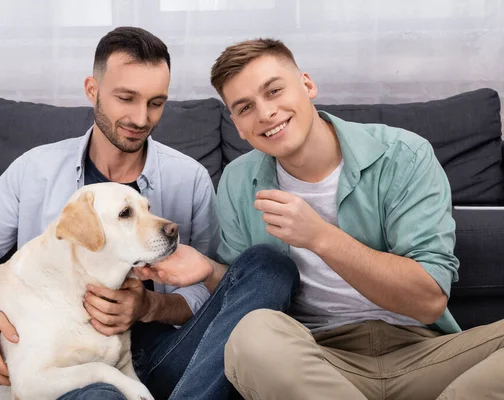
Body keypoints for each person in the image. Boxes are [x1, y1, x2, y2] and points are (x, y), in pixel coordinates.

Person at [0, 27, 297, 400]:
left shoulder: (190, 178)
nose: (140, 117)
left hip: (166, 354)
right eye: (126, 98)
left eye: (156, 102)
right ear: (93, 89)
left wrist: (151, 306)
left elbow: (214, 296)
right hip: (70, 367)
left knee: (267, 265)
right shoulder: (35, 170)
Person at [144, 38, 504, 399]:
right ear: (237, 125)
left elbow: (428, 301)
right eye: (245, 107)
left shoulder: (404, 156)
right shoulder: (238, 182)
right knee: (250, 334)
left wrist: (320, 237)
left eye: (274, 91)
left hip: (423, 354)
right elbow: (250, 291)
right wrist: (208, 271)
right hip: (315, 361)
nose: (266, 113)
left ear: (307, 85)